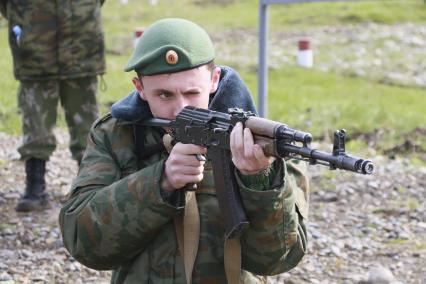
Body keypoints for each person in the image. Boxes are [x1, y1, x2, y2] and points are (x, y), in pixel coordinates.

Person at [59, 18, 309, 283]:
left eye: (192, 93)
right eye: (165, 95)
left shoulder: (262, 142)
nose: (181, 109)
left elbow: (279, 259)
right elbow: (82, 242)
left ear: (214, 80)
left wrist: (260, 181)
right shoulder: (116, 135)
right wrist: (160, 182)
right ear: (140, 88)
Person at [0, 0, 106, 212]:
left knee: (87, 125)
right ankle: (35, 187)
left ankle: (89, 187)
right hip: (35, 48)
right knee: (35, 123)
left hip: (81, 45)